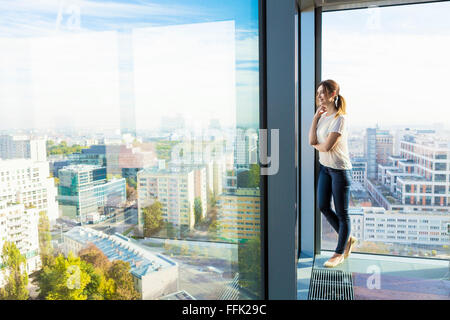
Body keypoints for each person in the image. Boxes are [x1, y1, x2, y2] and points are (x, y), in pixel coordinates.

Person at [309, 79, 357, 268]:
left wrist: (316, 145)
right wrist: (315, 118)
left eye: (323, 92)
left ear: (333, 95)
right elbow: (311, 139)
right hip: (325, 169)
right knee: (323, 206)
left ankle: (339, 253)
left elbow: (327, 146)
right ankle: (347, 238)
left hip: (339, 171)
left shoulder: (340, 119)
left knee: (342, 213)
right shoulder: (322, 118)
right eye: (318, 92)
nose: (319, 96)